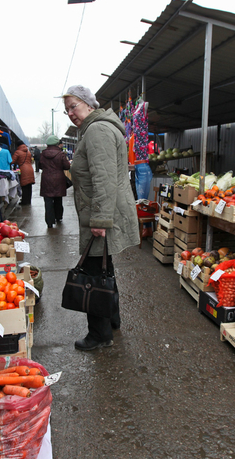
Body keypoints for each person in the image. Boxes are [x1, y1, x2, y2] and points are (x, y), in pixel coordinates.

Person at [62, 84, 140, 351]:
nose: (71, 113)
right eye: (67, 110)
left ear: (88, 103)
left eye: (74, 106)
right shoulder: (95, 128)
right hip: (100, 211)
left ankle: (99, 334)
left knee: (94, 273)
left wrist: (99, 221)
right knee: (104, 267)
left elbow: (104, 179)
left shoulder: (96, 130)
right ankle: (112, 318)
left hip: (100, 213)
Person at [39, 135, 71, 228]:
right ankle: (58, 217)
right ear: (57, 143)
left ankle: (49, 222)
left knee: (48, 201)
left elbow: (40, 166)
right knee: (58, 199)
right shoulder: (61, 154)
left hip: (46, 179)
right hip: (58, 179)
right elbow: (67, 167)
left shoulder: (42, 154)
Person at [12, 140, 35, 205]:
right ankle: (28, 201)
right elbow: (30, 160)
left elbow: (12, 161)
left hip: (23, 169)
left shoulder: (18, 152)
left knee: (24, 186)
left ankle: (24, 201)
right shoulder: (28, 152)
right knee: (29, 186)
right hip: (30, 168)